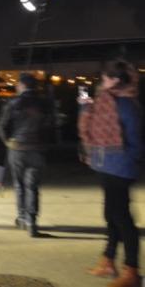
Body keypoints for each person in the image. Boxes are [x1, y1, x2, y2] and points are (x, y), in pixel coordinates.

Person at [79, 60, 142, 287]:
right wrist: (85, 106)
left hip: (120, 167)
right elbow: (91, 127)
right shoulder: (105, 101)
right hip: (105, 165)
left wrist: (129, 163)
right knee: (111, 215)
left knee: (122, 218)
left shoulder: (125, 104)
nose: (102, 81)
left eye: (105, 77)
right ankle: (108, 260)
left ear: (115, 79)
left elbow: (135, 140)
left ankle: (132, 270)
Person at [0, 72, 53, 237]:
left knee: (19, 185)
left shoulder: (13, 102)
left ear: (21, 85)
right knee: (33, 186)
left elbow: (1, 126)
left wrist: (8, 141)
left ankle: (22, 217)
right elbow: (51, 125)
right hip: (37, 149)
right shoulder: (44, 103)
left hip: (17, 148)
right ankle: (32, 221)